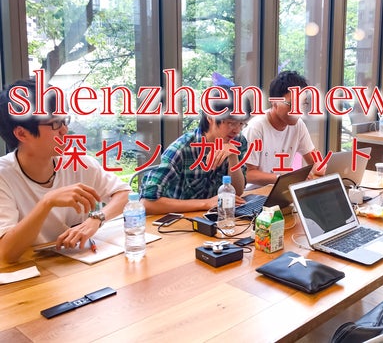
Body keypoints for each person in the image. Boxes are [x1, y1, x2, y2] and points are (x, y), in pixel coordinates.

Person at [0, 79, 130, 263]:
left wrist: (96, 219)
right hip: (32, 272)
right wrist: (47, 202)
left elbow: (124, 194)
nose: (65, 130)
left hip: (79, 266)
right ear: (22, 133)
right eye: (55, 123)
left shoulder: (78, 163)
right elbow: (6, 253)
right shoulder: (4, 176)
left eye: (65, 121)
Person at [140, 85, 250, 214]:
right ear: (210, 117)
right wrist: (206, 203)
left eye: (241, 123)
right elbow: (146, 203)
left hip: (215, 218)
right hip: (179, 220)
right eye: (231, 123)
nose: (237, 130)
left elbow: (237, 193)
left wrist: (233, 157)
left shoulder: (237, 141)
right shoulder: (182, 149)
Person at [243, 71, 320, 187]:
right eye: (292, 105)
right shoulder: (256, 128)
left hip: (281, 189)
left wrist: (322, 167)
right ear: (274, 102)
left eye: (303, 104)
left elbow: (315, 161)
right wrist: (285, 178)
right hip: (254, 192)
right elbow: (248, 174)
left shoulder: (298, 125)